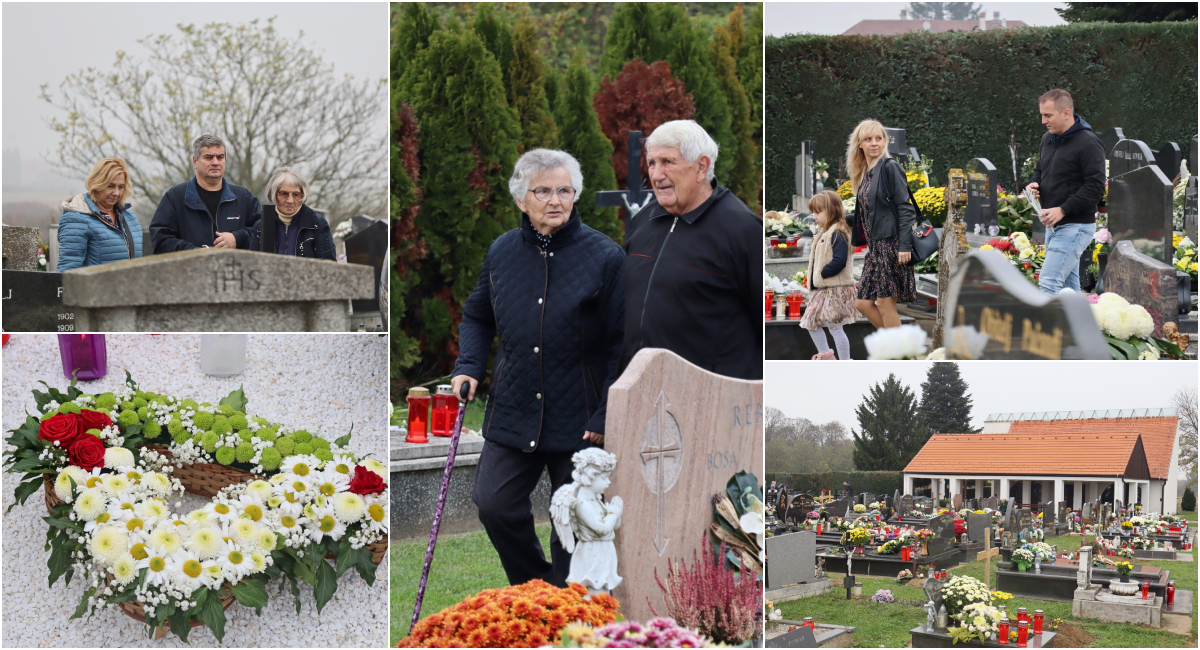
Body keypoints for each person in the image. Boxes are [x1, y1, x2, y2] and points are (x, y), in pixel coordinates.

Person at [450, 148, 625, 588]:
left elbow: (624, 342)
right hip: (514, 407)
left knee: (572, 519)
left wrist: (606, 413)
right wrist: (468, 364)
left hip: (581, 417)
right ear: (521, 200)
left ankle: (569, 611)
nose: (555, 200)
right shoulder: (502, 252)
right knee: (493, 503)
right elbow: (476, 315)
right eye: (543, 190)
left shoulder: (605, 257)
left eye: (564, 190)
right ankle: (536, 590)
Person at [621, 120, 762, 380]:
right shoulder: (642, 222)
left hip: (712, 396)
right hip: (642, 389)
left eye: (667, 162)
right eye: (652, 163)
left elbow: (762, 324)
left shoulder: (741, 229)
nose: (656, 174)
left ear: (701, 167)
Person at [1027, 88, 1105, 295]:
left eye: (1048, 115)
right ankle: (1077, 327)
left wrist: (1062, 209)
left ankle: (1046, 328)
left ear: (1066, 113)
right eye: (1042, 115)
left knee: (1049, 283)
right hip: (1053, 226)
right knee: (1068, 289)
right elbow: (1039, 171)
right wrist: (1034, 185)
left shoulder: (1088, 143)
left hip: (1076, 225)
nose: (1043, 120)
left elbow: (1096, 187)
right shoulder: (1048, 139)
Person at [847, 119, 917, 330]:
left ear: (885, 141)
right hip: (875, 248)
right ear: (860, 144)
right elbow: (870, 212)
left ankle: (900, 356)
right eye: (868, 139)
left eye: (879, 138)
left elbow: (905, 208)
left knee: (886, 305)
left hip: (891, 245)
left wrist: (904, 245)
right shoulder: (865, 173)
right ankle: (900, 350)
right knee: (863, 303)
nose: (874, 143)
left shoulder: (889, 167)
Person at [150, 134, 260, 253]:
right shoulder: (175, 197)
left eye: (220, 157)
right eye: (208, 157)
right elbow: (161, 240)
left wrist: (237, 238)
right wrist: (197, 253)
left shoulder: (244, 197)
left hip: (234, 270)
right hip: (190, 270)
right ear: (195, 161)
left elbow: (265, 231)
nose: (215, 162)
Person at [801, 190, 861, 360]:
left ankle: (845, 360)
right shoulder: (825, 231)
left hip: (835, 289)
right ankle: (825, 353)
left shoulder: (838, 232)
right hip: (824, 288)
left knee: (835, 327)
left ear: (832, 210)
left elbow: (840, 260)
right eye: (813, 212)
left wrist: (823, 272)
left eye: (818, 212)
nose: (814, 217)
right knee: (812, 322)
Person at [56, 158, 143, 271]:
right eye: (110, 186)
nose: (116, 193)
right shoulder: (76, 220)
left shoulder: (129, 217)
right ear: (96, 184)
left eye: (121, 187)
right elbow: (67, 271)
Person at [248, 167, 336, 260]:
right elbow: (253, 263)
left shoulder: (317, 224)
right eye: (284, 193)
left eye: (296, 194)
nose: (290, 200)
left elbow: (329, 264)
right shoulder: (261, 226)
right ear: (274, 194)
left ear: (303, 195)